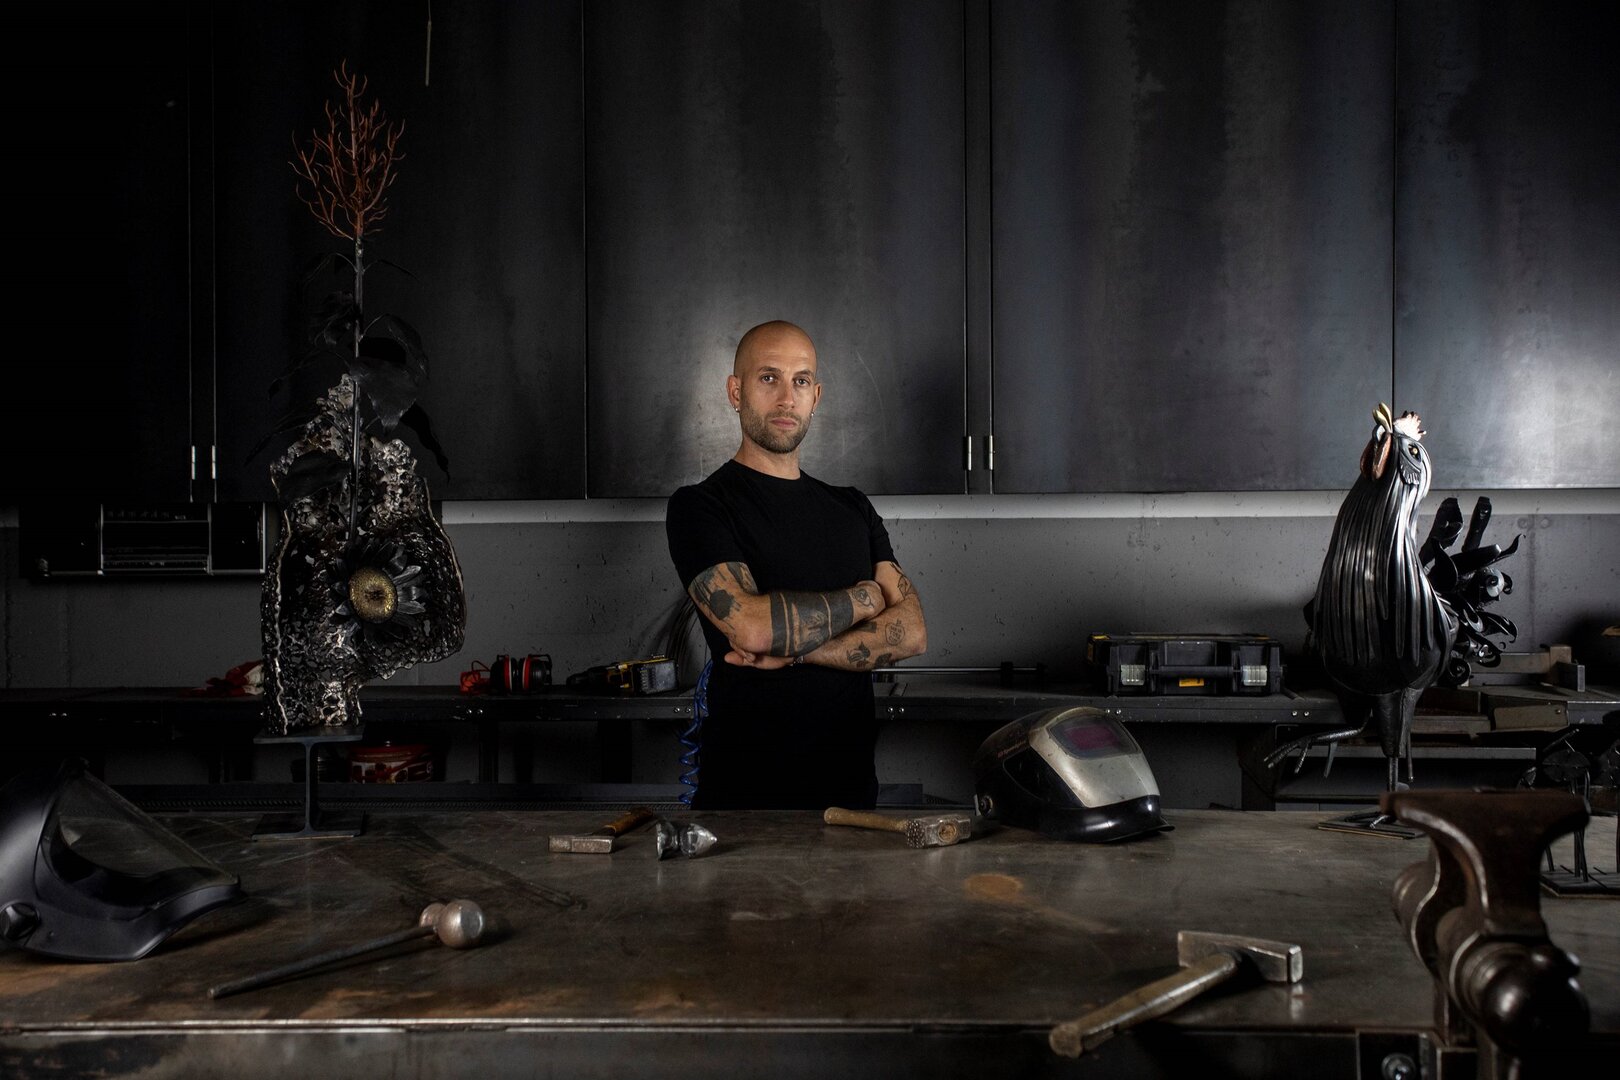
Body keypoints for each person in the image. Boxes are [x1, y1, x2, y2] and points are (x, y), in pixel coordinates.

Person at [665, 321, 927, 809]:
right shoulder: (701, 507)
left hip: (849, 805)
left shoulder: (852, 508)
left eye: (800, 381)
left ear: (816, 396)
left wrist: (800, 653)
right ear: (735, 391)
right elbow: (752, 629)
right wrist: (865, 599)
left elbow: (912, 632)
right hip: (744, 806)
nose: (787, 398)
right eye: (769, 378)